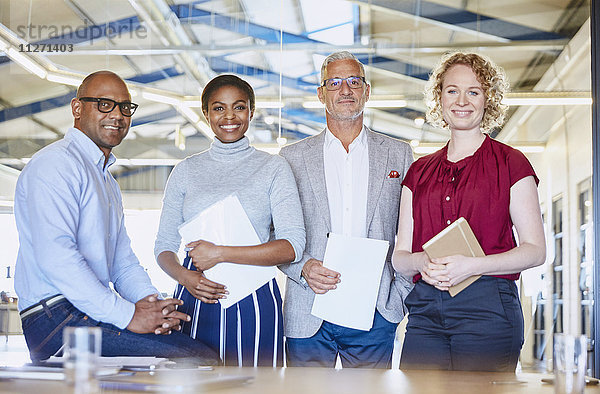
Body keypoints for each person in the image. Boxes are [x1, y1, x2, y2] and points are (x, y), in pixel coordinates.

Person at [14, 71, 219, 364]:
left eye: (125, 107)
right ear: (77, 108)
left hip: (85, 309)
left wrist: (154, 306)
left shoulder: (106, 181)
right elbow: (58, 258)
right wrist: (129, 315)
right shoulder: (56, 164)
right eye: (104, 104)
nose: (118, 115)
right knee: (195, 360)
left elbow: (122, 263)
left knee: (198, 351)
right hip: (55, 318)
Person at [392, 52, 546, 371]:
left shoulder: (511, 163)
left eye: (473, 91)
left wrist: (472, 266)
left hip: (489, 311)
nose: (462, 100)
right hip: (425, 312)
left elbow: (535, 251)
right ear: (440, 98)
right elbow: (400, 256)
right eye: (452, 90)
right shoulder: (418, 171)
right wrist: (421, 261)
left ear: (487, 99)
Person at [154, 74, 305, 367]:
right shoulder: (185, 171)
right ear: (206, 113)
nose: (229, 117)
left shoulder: (273, 167)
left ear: (251, 111)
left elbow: (292, 246)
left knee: (256, 382)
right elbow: (164, 245)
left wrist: (220, 253)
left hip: (254, 296)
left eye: (238, 107)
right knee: (197, 381)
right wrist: (186, 278)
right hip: (197, 293)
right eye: (219, 108)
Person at [279, 51, 414, 368]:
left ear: (367, 91)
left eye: (354, 81)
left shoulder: (399, 154)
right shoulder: (290, 158)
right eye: (335, 82)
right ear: (320, 93)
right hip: (308, 309)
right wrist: (301, 267)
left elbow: (415, 229)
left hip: (378, 309)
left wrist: (399, 299)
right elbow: (273, 230)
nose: (345, 90)